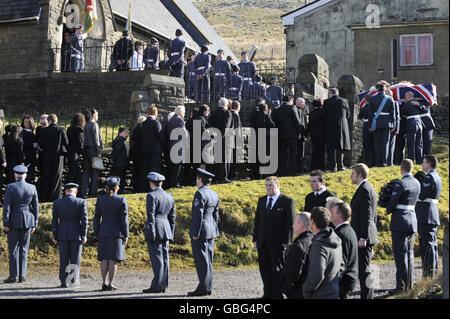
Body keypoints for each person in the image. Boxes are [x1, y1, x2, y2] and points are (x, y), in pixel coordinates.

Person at [253, 176, 296, 299]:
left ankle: (277, 293)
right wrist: (255, 238)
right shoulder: (261, 200)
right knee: (264, 269)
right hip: (262, 242)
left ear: (278, 186)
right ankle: (267, 292)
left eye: (271, 185)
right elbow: (257, 221)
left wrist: (287, 241)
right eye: (267, 185)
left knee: (278, 269)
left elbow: (290, 223)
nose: (268, 188)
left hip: (278, 243)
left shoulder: (287, 201)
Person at [386, 159, 420, 295]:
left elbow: (393, 202)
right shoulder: (417, 182)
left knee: (400, 255)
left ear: (401, 169)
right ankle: (409, 284)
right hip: (412, 219)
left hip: (400, 221)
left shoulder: (401, 183)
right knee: (409, 254)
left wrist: (387, 209)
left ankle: (401, 286)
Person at [2, 165, 39, 283]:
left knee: (13, 249)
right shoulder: (32, 187)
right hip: (28, 220)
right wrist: (35, 223)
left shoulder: (10, 187)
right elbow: (36, 207)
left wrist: (6, 222)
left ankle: (13, 275)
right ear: (25, 175)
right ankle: (22, 275)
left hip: (13, 220)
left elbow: (6, 207)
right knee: (24, 248)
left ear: (15, 175)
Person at [187, 168, 220, 297]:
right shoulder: (214, 194)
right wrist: (214, 228)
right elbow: (216, 215)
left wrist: (195, 232)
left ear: (200, 180)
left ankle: (203, 287)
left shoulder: (200, 193)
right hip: (211, 230)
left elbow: (198, 215)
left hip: (201, 231)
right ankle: (208, 286)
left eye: (197, 179)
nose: (196, 181)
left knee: (201, 261)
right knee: (209, 260)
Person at [93, 177, 129, 291]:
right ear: (117, 187)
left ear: (107, 187)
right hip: (116, 232)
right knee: (113, 259)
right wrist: (126, 234)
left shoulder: (100, 200)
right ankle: (111, 283)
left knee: (104, 259)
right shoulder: (121, 200)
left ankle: (104, 282)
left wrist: (96, 232)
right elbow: (124, 220)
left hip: (103, 231)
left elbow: (96, 218)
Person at [143, 172, 176, 294]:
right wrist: (171, 232)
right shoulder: (169, 196)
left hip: (156, 229)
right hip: (166, 229)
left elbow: (150, 216)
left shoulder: (151, 196)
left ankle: (157, 285)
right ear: (161, 183)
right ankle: (163, 284)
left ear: (152, 183)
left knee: (157, 259)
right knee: (165, 258)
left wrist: (151, 232)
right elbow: (173, 217)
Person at [350, 163, 379, 299]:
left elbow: (367, 216)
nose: (351, 177)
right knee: (364, 270)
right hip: (365, 236)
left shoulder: (365, 190)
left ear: (360, 175)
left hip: (364, 238)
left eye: (352, 174)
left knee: (365, 271)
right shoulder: (366, 188)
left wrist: (363, 237)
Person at [51, 183, 88, 288]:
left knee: (63, 259)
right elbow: (84, 220)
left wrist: (55, 235)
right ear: (75, 191)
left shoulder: (57, 203)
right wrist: (84, 234)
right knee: (75, 259)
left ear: (65, 191)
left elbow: (54, 220)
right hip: (76, 233)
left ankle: (63, 281)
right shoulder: (81, 202)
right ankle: (73, 281)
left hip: (62, 233)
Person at [303, 207, 343, 299]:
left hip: (319, 295)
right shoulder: (336, 239)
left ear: (312, 221)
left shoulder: (319, 244)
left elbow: (317, 274)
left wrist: (306, 289)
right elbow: (341, 265)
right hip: (333, 292)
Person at [416, 155, 442, 278]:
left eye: (424, 162)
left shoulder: (430, 177)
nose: (422, 164)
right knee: (432, 245)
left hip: (426, 215)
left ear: (429, 164)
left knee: (427, 247)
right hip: (431, 214)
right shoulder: (436, 176)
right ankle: (432, 273)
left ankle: (428, 275)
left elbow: (421, 195)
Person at [330, 201, 358, 299]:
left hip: (343, 281)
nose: (330, 214)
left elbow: (341, 262)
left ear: (340, 214)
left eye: (333, 212)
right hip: (348, 278)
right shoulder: (349, 230)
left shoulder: (341, 234)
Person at [282, 212, 313, 299]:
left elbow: (293, 273)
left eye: (295, 223)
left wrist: (287, 289)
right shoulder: (313, 239)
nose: (292, 226)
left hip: (298, 292)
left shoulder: (298, 246)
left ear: (301, 225)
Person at [38, 114, 68, 202]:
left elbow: (40, 143)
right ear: (56, 121)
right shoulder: (61, 129)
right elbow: (66, 143)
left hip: (46, 157)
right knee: (57, 178)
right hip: (58, 157)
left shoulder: (44, 130)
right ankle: (55, 198)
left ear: (49, 121)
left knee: (46, 177)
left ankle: (44, 198)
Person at [271, 95, 302, 177]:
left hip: (280, 136)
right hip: (292, 136)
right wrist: (299, 132)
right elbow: (296, 122)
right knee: (293, 154)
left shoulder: (277, 110)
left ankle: (282, 171)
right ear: (290, 100)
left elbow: (274, 123)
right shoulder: (292, 108)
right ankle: (292, 172)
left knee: (281, 154)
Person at [368, 82, 395, 167]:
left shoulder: (372, 99)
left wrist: (370, 125)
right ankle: (384, 162)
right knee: (385, 143)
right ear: (385, 90)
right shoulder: (390, 99)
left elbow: (370, 114)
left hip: (376, 123)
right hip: (387, 123)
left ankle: (378, 162)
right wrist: (393, 124)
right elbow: (392, 113)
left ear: (377, 89)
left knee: (377, 143)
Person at [323, 88, 351, 171]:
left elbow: (324, 114)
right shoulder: (344, 101)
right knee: (340, 146)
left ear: (330, 93)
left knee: (331, 147)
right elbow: (348, 114)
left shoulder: (326, 102)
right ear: (337, 93)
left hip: (330, 126)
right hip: (342, 126)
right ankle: (340, 165)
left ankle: (332, 167)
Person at [208, 98, 233, 183]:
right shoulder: (228, 113)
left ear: (219, 104)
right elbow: (226, 127)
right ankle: (223, 178)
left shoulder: (213, 113)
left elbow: (210, 126)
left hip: (214, 139)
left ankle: (215, 178)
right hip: (224, 140)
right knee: (224, 159)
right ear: (227, 105)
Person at [80, 108, 102, 198]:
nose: (97, 116)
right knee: (95, 173)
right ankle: (93, 193)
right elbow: (97, 140)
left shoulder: (84, 125)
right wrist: (99, 151)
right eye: (97, 114)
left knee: (85, 173)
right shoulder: (94, 125)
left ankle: (83, 193)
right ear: (93, 115)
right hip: (93, 150)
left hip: (85, 150)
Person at [252, 99, 276, 180]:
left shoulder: (257, 115)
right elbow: (272, 125)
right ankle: (266, 173)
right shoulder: (266, 116)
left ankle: (259, 174)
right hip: (266, 137)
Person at [166, 105, 188, 189]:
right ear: (180, 112)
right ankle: (174, 184)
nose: (184, 114)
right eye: (184, 112)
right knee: (176, 167)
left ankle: (171, 183)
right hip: (178, 147)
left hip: (171, 146)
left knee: (172, 167)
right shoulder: (179, 120)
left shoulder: (171, 120)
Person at [401, 91, 425, 164]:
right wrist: (419, 105)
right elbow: (425, 109)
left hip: (411, 123)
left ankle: (411, 161)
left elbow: (401, 112)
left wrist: (403, 103)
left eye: (405, 96)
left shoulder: (407, 104)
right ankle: (419, 161)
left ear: (408, 96)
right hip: (419, 123)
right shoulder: (418, 103)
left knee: (411, 143)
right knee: (419, 143)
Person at [307, 98, 326, 171]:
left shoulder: (311, 113)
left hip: (313, 134)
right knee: (321, 151)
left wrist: (307, 134)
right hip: (321, 134)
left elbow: (309, 124)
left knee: (314, 150)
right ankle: (321, 167)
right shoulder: (322, 112)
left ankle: (313, 167)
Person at [66, 113, 85, 187]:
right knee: (74, 174)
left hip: (69, 153)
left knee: (75, 173)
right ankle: (69, 189)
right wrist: (82, 152)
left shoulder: (70, 128)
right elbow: (81, 144)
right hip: (75, 154)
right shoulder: (79, 130)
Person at [129, 115, 146, 193]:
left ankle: (135, 188)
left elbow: (132, 141)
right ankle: (141, 188)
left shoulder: (135, 129)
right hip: (142, 153)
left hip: (135, 153)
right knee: (142, 172)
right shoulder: (144, 129)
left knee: (135, 172)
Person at [111, 128, 129, 193]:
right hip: (120, 163)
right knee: (120, 177)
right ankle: (120, 191)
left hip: (120, 163)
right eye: (124, 133)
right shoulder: (120, 140)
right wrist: (112, 159)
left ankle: (120, 190)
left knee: (120, 177)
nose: (126, 134)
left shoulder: (121, 140)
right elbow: (116, 151)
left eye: (127, 133)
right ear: (120, 133)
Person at [358, 94, 375, 167]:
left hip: (366, 125)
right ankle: (373, 162)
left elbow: (359, 116)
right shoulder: (374, 107)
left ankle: (366, 162)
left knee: (366, 145)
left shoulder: (364, 107)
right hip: (373, 125)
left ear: (365, 100)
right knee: (373, 144)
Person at [20, 116, 37, 184]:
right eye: (25, 122)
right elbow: (23, 143)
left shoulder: (31, 132)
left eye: (28, 122)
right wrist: (32, 145)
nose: (26, 124)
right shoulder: (22, 132)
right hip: (26, 156)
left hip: (32, 156)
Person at [229, 100, 242, 180]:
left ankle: (231, 174)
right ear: (238, 107)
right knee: (233, 159)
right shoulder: (236, 115)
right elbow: (237, 128)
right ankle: (232, 175)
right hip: (235, 139)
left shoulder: (229, 113)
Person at [387, 89, 400, 166]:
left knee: (391, 146)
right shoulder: (382, 102)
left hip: (392, 127)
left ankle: (390, 162)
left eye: (389, 94)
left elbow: (397, 117)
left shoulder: (395, 103)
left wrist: (396, 128)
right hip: (384, 126)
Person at [295, 98, 307, 173]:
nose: (304, 104)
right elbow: (299, 124)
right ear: (299, 103)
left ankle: (299, 168)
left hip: (299, 135)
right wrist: (300, 133)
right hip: (299, 136)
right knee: (299, 153)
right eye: (303, 103)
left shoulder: (298, 110)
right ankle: (299, 169)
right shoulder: (298, 111)